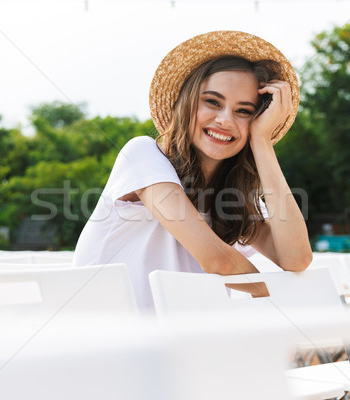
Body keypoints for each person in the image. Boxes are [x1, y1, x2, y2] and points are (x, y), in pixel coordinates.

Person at [74, 31, 313, 311]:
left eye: (244, 111)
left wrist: (262, 142)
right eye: (212, 102)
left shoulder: (233, 195)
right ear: (186, 102)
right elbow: (217, 260)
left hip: (187, 341)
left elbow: (296, 258)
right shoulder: (142, 154)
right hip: (113, 340)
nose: (224, 120)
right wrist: (271, 295)